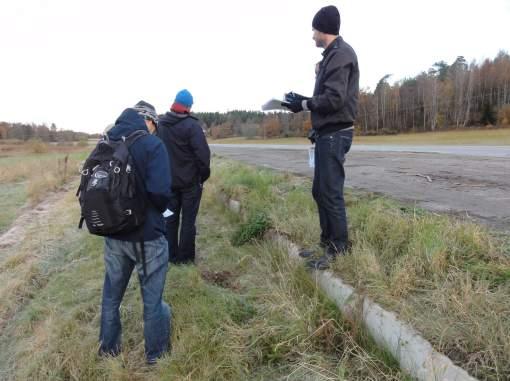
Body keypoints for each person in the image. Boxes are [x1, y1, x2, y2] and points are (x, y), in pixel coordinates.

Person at [283, 5, 360, 270]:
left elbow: (335, 99)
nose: (312, 35)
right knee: (320, 191)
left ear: (323, 29)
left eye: (314, 30)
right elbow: (327, 96)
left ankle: (339, 249)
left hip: (335, 134)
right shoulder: (331, 56)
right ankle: (328, 243)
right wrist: (303, 100)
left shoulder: (341, 55)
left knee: (330, 192)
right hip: (326, 133)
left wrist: (304, 105)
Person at [98, 101, 172, 364]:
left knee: (110, 296)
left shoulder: (106, 141)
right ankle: (155, 357)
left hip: (113, 234)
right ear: (149, 121)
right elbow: (161, 192)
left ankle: (108, 350)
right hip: (147, 236)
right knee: (152, 302)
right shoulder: (153, 145)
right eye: (155, 125)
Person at [157, 90, 211, 264]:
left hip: (169, 184)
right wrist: (202, 177)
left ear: (174, 103)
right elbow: (203, 156)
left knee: (169, 220)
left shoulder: (161, 126)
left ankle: (170, 257)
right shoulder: (192, 126)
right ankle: (185, 259)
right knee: (188, 221)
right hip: (190, 185)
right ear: (188, 106)